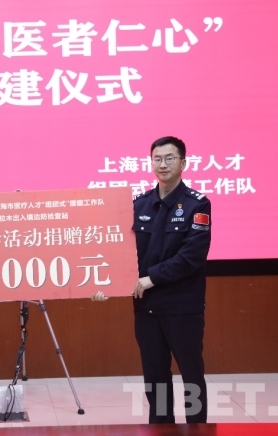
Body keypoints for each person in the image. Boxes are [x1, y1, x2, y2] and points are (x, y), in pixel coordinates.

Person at [94, 136, 211, 424]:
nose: (163, 164)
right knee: (155, 377)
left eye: (169, 158)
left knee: (191, 375)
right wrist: (107, 283)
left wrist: (152, 278)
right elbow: (123, 253)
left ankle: (198, 428)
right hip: (147, 309)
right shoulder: (139, 204)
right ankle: (161, 428)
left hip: (183, 308)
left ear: (183, 163)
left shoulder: (197, 204)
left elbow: (191, 256)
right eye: (157, 159)